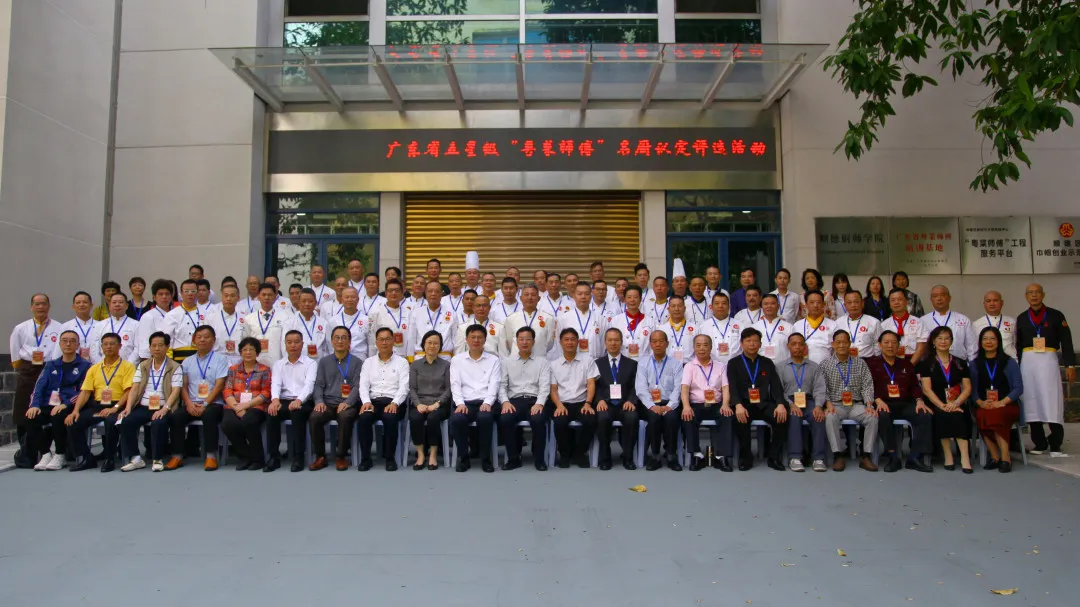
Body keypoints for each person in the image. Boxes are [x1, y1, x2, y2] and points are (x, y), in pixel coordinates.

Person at [1016, 283, 1074, 456]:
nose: (1034, 295)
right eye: (1030, 293)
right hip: (1028, 362)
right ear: (1026, 296)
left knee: (1052, 399)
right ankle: (1039, 443)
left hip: (1048, 360)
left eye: (1037, 292)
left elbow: (1066, 341)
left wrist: (1069, 364)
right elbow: (1018, 345)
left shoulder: (1056, 315)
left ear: (1043, 295)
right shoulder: (1022, 318)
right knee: (1031, 399)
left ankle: (1055, 443)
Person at [65, 332, 136, 472]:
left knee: (111, 422)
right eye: (105, 344)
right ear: (101, 347)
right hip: (98, 405)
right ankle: (86, 457)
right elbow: (85, 392)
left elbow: (129, 391)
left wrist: (115, 408)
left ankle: (110, 458)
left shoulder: (128, 367)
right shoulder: (94, 368)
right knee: (73, 421)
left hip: (118, 405)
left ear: (120, 346)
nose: (109, 347)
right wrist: (75, 411)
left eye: (112, 344)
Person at [867, 331, 934, 473]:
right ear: (879, 345)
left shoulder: (906, 364)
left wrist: (919, 401)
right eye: (886, 342)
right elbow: (867, 386)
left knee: (924, 415)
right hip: (883, 402)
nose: (890, 346)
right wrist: (877, 400)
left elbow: (915, 386)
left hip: (905, 403)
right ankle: (893, 456)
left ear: (899, 345)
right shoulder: (872, 364)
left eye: (894, 342)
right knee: (882, 415)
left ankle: (915, 457)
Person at [25, 330, 91, 471]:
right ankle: (45, 454)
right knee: (31, 417)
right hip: (48, 403)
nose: (68, 344)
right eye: (65, 341)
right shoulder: (51, 364)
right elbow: (39, 386)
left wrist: (66, 404)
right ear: (59, 344)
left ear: (78, 345)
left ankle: (60, 454)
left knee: (58, 416)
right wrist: (34, 405)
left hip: (69, 404)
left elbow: (83, 391)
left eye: (72, 341)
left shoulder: (85, 365)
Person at [119, 332, 183, 472]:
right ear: (149, 348)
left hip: (163, 406)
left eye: (160, 345)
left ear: (167, 347)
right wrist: (128, 407)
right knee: (126, 421)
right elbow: (135, 388)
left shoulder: (175, 366)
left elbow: (176, 391)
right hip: (144, 406)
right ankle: (136, 458)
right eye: (153, 345)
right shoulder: (143, 365)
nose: (157, 348)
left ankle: (157, 459)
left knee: (158, 423)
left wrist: (165, 409)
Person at [726, 328, 788, 471]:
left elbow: (776, 386)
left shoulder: (767, 362)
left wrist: (780, 404)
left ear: (760, 344)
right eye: (748, 341)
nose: (752, 344)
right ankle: (746, 457)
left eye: (755, 341)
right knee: (740, 420)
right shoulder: (733, 363)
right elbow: (732, 387)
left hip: (764, 403)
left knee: (783, 417)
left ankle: (773, 457)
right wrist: (737, 405)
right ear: (741, 343)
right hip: (744, 404)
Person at [170, 326, 229, 470]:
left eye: (207, 337)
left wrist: (205, 404)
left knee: (209, 415)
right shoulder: (187, 361)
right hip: (192, 402)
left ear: (214, 340)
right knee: (176, 417)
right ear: (194, 340)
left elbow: (219, 385)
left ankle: (211, 456)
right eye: (199, 337)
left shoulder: (221, 360)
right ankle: (177, 456)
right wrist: (188, 403)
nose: (202, 340)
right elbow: (183, 386)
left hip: (213, 403)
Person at [918, 326, 974, 472]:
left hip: (957, 401)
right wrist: (942, 405)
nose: (943, 341)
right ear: (933, 341)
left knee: (959, 414)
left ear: (951, 341)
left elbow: (967, 388)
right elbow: (926, 389)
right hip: (936, 402)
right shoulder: (927, 363)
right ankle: (948, 455)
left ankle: (965, 457)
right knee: (943, 414)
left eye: (947, 338)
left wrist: (956, 403)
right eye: (939, 338)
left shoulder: (960, 363)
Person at [821, 330, 879, 472]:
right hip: (836, 404)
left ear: (849, 343)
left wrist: (869, 404)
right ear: (833, 344)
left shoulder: (860, 363)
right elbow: (822, 387)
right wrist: (828, 404)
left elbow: (867, 385)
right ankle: (838, 455)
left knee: (872, 416)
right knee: (830, 417)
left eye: (844, 342)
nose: (841, 345)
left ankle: (866, 456)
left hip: (856, 404)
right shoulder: (825, 364)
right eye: (838, 342)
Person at [308, 327, 364, 471]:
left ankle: (341, 456)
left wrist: (348, 402)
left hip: (348, 403)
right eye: (337, 338)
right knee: (315, 417)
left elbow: (358, 386)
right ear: (332, 341)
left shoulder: (357, 362)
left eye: (344, 338)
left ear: (349, 342)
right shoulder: (324, 362)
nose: (340, 341)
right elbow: (319, 385)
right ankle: (320, 456)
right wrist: (319, 402)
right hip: (327, 402)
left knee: (345, 417)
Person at [498, 326, 553, 471]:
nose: (524, 342)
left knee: (538, 419)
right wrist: (505, 402)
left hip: (535, 400)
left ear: (533, 342)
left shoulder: (543, 362)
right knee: (505, 418)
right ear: (516, 341)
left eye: (528, 339)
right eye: (521, 339)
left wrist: (540, 403)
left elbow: (545, 386)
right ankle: (513, 458)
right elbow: (502, 386)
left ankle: (539, 459)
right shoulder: (506, 362)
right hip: (514, 401)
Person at [970, 326, 1023, 473]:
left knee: (996, 415)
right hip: (984, 405)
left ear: (998, 341)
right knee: (982, 415)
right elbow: (972, 390)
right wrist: (980, 402)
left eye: (992, 339)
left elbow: (1018, 388)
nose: (989, 342)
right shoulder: (974, 364)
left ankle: (1005, 458)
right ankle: (995, 456)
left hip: (1007, 404)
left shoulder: (1009, 362)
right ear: (980, 342)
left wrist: (1001, 402)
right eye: (985, 339)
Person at [449, 324, 502, 473]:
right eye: (473, 337)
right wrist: (460, 403)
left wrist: (488, 402)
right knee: (457, 419)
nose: (476, 340)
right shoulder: (457, 360)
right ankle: (463, 458)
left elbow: (495, 384)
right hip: (465, 402)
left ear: (485, 340)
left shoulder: (493, 360)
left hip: (486, 401)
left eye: (480, 337)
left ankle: (485, 459)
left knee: (485, 417)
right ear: (466, 339)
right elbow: (455, 384)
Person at [356, 327, 410, 470]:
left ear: (393, 341)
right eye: (381, 339)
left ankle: (390, 458)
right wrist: (366, 402)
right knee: (364, 418)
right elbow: (363, 385)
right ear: (376, 342)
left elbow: (404, 387)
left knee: (390, 417)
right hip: (373, 401)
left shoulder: (402, 362)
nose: (384, 343)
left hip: (394, 401)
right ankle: (366, 459)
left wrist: (395, 403)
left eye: (387, 339)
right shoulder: (368, 362)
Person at [266, 330, 317, 472]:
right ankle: (274, 456)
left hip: (304, 400)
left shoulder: (310, 363)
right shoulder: (279, 364)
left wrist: (299, 400)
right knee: (271, 413)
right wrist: (275, 400)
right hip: (284, 400)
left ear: (302, 344)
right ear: (285, 345)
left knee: (297, 414)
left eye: (296, 342)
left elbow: (309, 385)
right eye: (289, 342)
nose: (293, 345)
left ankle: (298, 456)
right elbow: (275, 383)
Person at [777, 333, 829, 472]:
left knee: (818, 417)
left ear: (805, 347)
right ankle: (795, 457)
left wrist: (819, 406)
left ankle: (818, 458)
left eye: (801, 344)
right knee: (794, 417)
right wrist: (790, 404)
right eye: (793, 344)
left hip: (809, 400)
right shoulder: (780, 367)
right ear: (788, 346)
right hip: (790, 401)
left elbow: (819, 388)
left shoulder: (814, 367)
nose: (797, 347)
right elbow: (778, 390)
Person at [549, 328, 600, 468]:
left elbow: (591, 383)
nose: (569, 342)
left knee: (590, 420)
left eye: (572, 339)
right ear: (560, 342)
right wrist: (558, 405)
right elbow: (553, 389)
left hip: (582, 402)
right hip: (562, 403)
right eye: (566, 339)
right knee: (559, 422)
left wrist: (588, 403)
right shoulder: (554, 364)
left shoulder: (587, 360)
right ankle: (565, 455)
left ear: (578, 342)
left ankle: (580, 453)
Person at [681, 333, 732, 471]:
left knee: (727, 415)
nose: (702, 348)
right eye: (698, 345)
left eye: (705, 345)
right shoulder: (689, 366)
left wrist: (725, 404)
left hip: (716, 404)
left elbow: (725, 387)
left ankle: (721, 456)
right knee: (688, 416)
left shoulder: (721, 366)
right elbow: (685, 388)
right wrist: (686, 406)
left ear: (711, 347)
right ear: (694, 348)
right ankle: (696, 454)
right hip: (697, 404)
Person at [635, 330, 684, 471]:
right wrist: (652, 405)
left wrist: (670, 406)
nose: (658, 344)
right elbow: (641, 388)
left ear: (667, 343)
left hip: (670, 402)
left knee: (671, 418)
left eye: (661, 341)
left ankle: (671, 455)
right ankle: (655, 455)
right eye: (654, 341)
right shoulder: (643, 363)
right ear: (650, 344)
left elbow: (678, 388)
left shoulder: (676, 364)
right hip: (649, 404)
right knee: (654, 418)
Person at [221, 337, 272, 471]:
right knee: (228, 424)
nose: (248, 352)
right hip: (234, 405)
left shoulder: (264, 370)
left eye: (251, 350)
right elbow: (227, 391)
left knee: (249, 421)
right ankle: (245, 456)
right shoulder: (233, 369)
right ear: (240, 352)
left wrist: (246, 406)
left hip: (256, 406)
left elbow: (266, 393)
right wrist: (236, 407)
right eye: (245, 350)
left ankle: (258, 459)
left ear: (257, 352)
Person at [594, 328, 641, 470]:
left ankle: (628, 457)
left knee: (632, 418)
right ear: (605, 342)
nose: (613, 343)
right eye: (610, 340)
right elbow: (593, 386)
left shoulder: (632, 364)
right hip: (606, 404)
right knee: (602, 418)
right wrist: (599, 399)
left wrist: (631, 400)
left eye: (616, 340)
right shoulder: (597, 364)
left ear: (621, 342)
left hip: (624, 403)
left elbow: (636, 386)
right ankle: (605, 458)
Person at [409, 330, 452, 470]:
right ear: (423, 345)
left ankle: (433, 454)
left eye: (436, 343)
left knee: (433, 418)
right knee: (415, 418)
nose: (432, 346)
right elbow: (412, 388)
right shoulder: (415, 365)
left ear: (440, 346)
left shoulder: (446, 365)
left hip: (439, 404)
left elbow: (448, 389)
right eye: (429, 342)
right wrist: (418, 404)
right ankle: (421, 454)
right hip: (419, 403)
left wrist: (437, 404)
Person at [919, 285, 976, 361]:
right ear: (931, 300)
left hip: (959, 363)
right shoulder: (922, 321)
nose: (939, 298)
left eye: (942, 295)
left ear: (949, 298)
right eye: (935, 296)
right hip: (931, 364)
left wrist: (972, 364)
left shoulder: (963, 319)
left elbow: (972, 346)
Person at [242, 282, 291, 366]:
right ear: (258, 296)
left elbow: (286, 343)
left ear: (275, 297)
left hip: (277, 363)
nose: (266, 297)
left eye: (270, 295)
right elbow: (245, 343)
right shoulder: (249, 319)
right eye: (263, 295)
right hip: (256, 365)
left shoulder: (284, 317)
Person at [504, 283, 556, 359]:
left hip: (539, 359)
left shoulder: (548, 318)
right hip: (517, 360)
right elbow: (509, 343)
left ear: (539, 298)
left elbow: (550, 343)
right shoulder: (511, 318)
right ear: (521, 298)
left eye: (533, 295)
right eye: (526, 294)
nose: (530, 297)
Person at [410, 280, 457, 361]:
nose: (433, 294)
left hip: (444, 358)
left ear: (441, 294)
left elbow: (455, 339)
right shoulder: (417, 313)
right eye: (430, 291)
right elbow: (411, 338)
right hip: (421, 357)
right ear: (425, 293)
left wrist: (456, 359)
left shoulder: (451, 313)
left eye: (437, 291)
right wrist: (410, 359)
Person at [606, 285, 655, 361]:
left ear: (640, 299)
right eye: (629, 297)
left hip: (644, 362)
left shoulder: (650, 321)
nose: (632, 300)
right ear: (625, 299)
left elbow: (653, 346)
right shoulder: (615, 320)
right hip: (622, 361)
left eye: (635, 297)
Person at [557, 282, 604, 360]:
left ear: (591, 296)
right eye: (579, 294)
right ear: (574, 296)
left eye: (586, 294)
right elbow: (559, 344)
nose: (583, 297)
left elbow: (604, 344)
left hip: (595, 362)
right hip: (571, 361)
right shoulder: (563, 318)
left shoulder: (600, 319)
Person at [89, 292, 140, 363]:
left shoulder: (136, 325)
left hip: (127, 367)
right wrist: (102, 366)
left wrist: (128, 366)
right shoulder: (99, 325)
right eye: (114, 302)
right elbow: (94, 351)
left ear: (127, 306)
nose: (117, 304)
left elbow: (137, 349)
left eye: (120, 302)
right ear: (109, 306)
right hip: (103, 366)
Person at [368, 278, 413, 359]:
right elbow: (372, 340)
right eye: (390, 290)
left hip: (404, 357)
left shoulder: (409, 313)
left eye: (397, 290)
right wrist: (372, 359)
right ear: (385, 293)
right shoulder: (376, 312)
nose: (394, 293)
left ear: (402, 293)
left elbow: (411, 338)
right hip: (384, 357)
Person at [282, 288, 330, 360]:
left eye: (310, 301)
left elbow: (328, 347)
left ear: (315, 303)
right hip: (297, 363)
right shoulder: (289, 323)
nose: (307, 304)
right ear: (298, 303)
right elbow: (284, 346)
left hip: (319, 363)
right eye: (304, 301)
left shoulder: (324, 323)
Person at [881, 288, 927, 362]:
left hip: (914, 361)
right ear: (889, 304)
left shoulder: (918, 322)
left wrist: (910, 366)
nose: (896, 302)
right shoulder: (884, 325)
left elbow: (921, 347)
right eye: (893, 300)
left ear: (906, 302)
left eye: (899, 299)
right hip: (891, 362)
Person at [163, 279, 205, 360]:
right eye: (186, 291)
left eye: (193, 291)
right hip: (179, 358)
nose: (190, 294)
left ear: (197, 293)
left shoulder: (206, 313)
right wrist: (169, 361)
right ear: (181, 293)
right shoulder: (171, 315)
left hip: (201, 356)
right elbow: (167, 339)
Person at [794, 290, 838, 364]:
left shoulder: (833, 325)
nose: (815, 305)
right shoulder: (797, 325)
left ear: (823, 305)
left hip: (826, 365)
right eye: (812, 302)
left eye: (818, 302)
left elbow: (836, 349)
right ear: (806, 305)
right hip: (804, 365)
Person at [328, 286, 369, 361]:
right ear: (342, 299)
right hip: (339, 361)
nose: (350, 299)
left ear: (358, 299)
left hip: (361, 361)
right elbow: (330, 345)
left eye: (353, 297)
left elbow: (371, 344)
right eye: (347, 297)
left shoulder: (367, 320)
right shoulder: (333, 321)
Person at [972, 290, 1017, 358]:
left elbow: (1017, 343)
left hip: (1010, 360)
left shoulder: (1012, 322)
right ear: (984, 304)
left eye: (995, 300)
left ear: (1002, 303)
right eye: (988, 301)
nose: (992, 303)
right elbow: (974, 348)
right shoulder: (976, 324)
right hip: (986, 361)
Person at [207, 283, 244, 366]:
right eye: (226, 295)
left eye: (232, 296)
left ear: (238, 298)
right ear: (222, 297)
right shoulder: (211, 318)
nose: (228, 299)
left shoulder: (245, 318)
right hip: (216, 359)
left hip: (239, 360)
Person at [702, 292, 742, 366]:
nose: (720, 306)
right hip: (710, 367)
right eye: (717, 303)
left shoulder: (740, 325)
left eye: (724, 303)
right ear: (711, 306)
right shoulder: (703, 326)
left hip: (736, 366)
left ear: (729, 306)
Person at [753, 294, 793, 364]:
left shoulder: (789, 327)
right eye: (766, 304)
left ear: (778, 306)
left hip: (783, 366)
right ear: (761, 307)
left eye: (772, 303)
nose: (769, 306)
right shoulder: (754, 328)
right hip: (760, 366)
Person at [840, 291, 881, 359]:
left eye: (856, 302)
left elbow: (878, 345)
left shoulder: (874, 322)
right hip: (844, 361)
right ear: (845, 305)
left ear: (862, 303)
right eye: (849, 302)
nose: (853, 305)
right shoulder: (838, 323)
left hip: (868, 361)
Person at [658, 296, 698, 364]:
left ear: (684, 308)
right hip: (667, 366)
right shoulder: (661, 329)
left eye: (679, 306)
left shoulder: (695, 328)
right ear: (668, 309)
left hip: (689, 366)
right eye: (673, 306)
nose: (676, 309)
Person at [60, 291, 96, 360]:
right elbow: (59, 350)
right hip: (73, 364)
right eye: (78, 303)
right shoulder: (65, 326)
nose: (81, 305)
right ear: (73, 307)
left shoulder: (100, 325)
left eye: (85, 302)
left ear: (91, 305)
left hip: (96, 364)